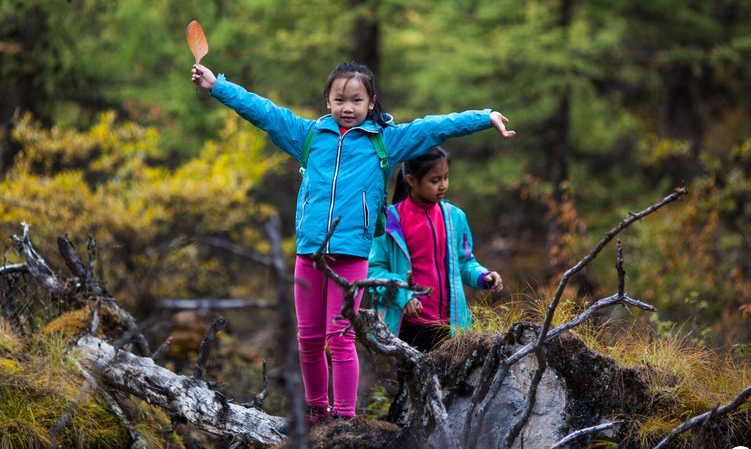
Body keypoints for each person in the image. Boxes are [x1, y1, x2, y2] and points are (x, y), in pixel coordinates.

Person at [191, 60, 514, 422]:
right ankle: (317, 411)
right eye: (339, 99)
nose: (347, 108)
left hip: (352, 256)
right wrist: (217, 85)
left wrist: (485, 117)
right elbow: (263, 111)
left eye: (356, 100)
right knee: (309, 340)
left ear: (371, 102)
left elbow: (436, 128)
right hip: (310, 254)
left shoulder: (385, 142)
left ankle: (344, 418)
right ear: (327, 101)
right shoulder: (308, 136)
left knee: (340, 338)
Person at [368, 146, 504, 352]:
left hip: (452, 329)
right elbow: (374, 270)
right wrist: (404, 295)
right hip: (410, 329)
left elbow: (464, 262)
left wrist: (482, 276)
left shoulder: (454, 216)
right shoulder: (390, 221)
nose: (443, 186)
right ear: (412, 180)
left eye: (446, 178)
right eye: (434, 180)